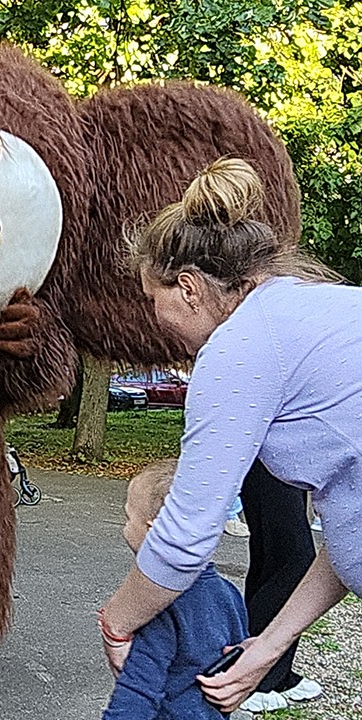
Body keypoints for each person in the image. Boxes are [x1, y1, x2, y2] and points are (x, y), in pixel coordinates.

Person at [98, 158, 362, 713]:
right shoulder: (307, 311)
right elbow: (350, 528)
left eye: (153, 299)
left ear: (189, 288)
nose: (155, 317)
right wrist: (268, 645)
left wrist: (117, 621)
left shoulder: (239, 347)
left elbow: (186, 533)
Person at [102, 460, 247, 719]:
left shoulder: (157, 608)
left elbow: (136, 695)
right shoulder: (228, 593)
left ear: (153, 530)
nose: (125, 528)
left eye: (128, 518)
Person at [236, 461, 319, 712]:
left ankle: (276, 672)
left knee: (271, 558)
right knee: (293, 559)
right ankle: (254, 677)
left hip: (286, 452)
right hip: (267, 452)